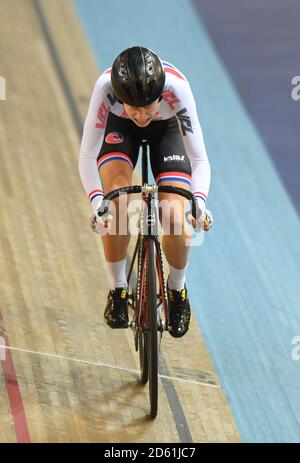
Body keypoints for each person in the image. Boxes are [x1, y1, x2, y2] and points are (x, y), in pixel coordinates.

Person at [79, 46, 213, 338]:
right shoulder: (105, 88)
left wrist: (199, 202)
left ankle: (177, 290)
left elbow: (201, 160)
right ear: (119, 96)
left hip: (168, 132)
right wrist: (97, 201)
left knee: (176, 218)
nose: (141, 115)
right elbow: (87, 155)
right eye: (133, 107)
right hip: (120, 130)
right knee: (116, 208)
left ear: (161, 95)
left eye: (147, 107)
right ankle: (117, 289)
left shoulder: (177, 88)